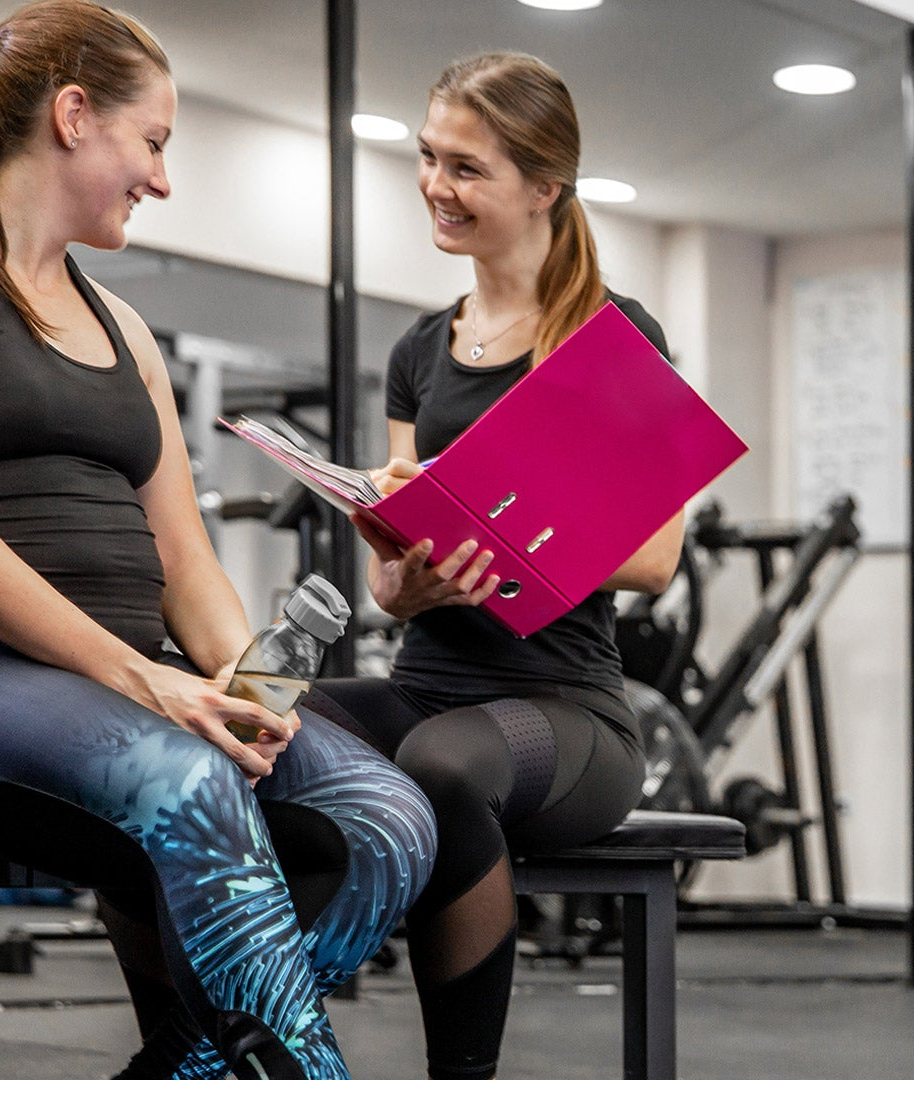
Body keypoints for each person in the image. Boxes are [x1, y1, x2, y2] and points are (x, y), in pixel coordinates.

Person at [0, 1, 435, 1080]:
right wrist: (151, 689)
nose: (162, 178)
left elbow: (187, 558)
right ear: (73, 116)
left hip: (114, 683)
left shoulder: (121, 326)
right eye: (153, 142)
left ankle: (208, 1062)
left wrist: (246, 689)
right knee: (190, 787)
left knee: (387, 816)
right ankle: (290, 1069)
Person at [309, 51, 684, 1080]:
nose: (435, 184)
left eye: (465, 168)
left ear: (543, 187)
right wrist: (409, 575)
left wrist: (511, 533)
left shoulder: (611, 337)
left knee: (439, 767)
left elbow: (657, 556)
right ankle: (267, 1031)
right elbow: (383, 586)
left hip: (562, 712)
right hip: (429, 680)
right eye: (428, 158)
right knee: (265, 724)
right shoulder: (419, 352)